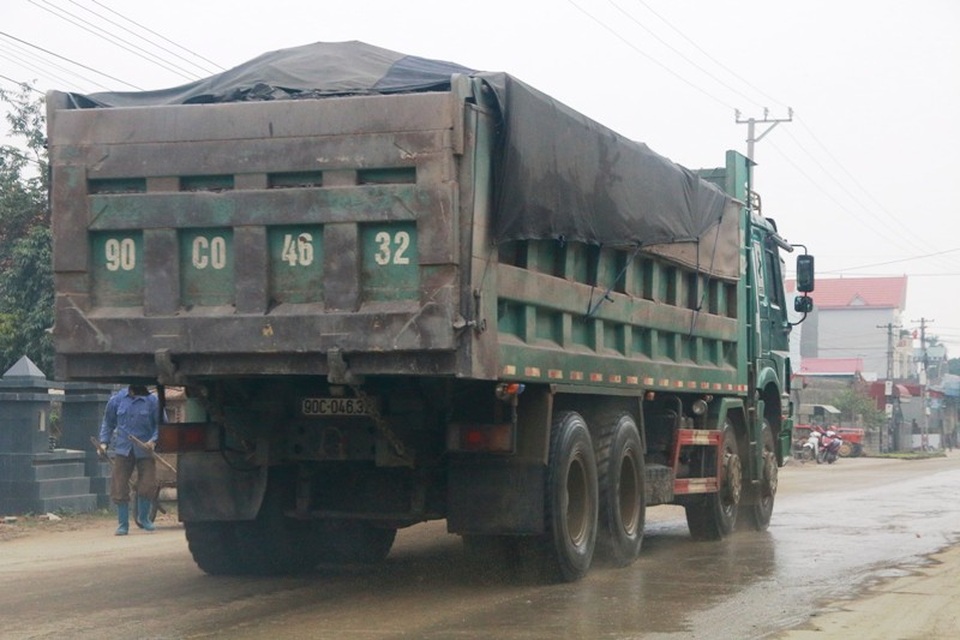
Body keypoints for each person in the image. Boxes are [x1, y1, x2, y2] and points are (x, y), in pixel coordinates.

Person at [98, 384, 160, 535]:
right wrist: (104, 443)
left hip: (145, 450)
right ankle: (123, 524)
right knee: (119, 484)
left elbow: (161, 425)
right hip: (123, 449)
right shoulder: (116, 400)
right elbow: (108, 423)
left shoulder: (152, 401)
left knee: (147, 484)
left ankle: (144, 518)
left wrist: (153, 440)